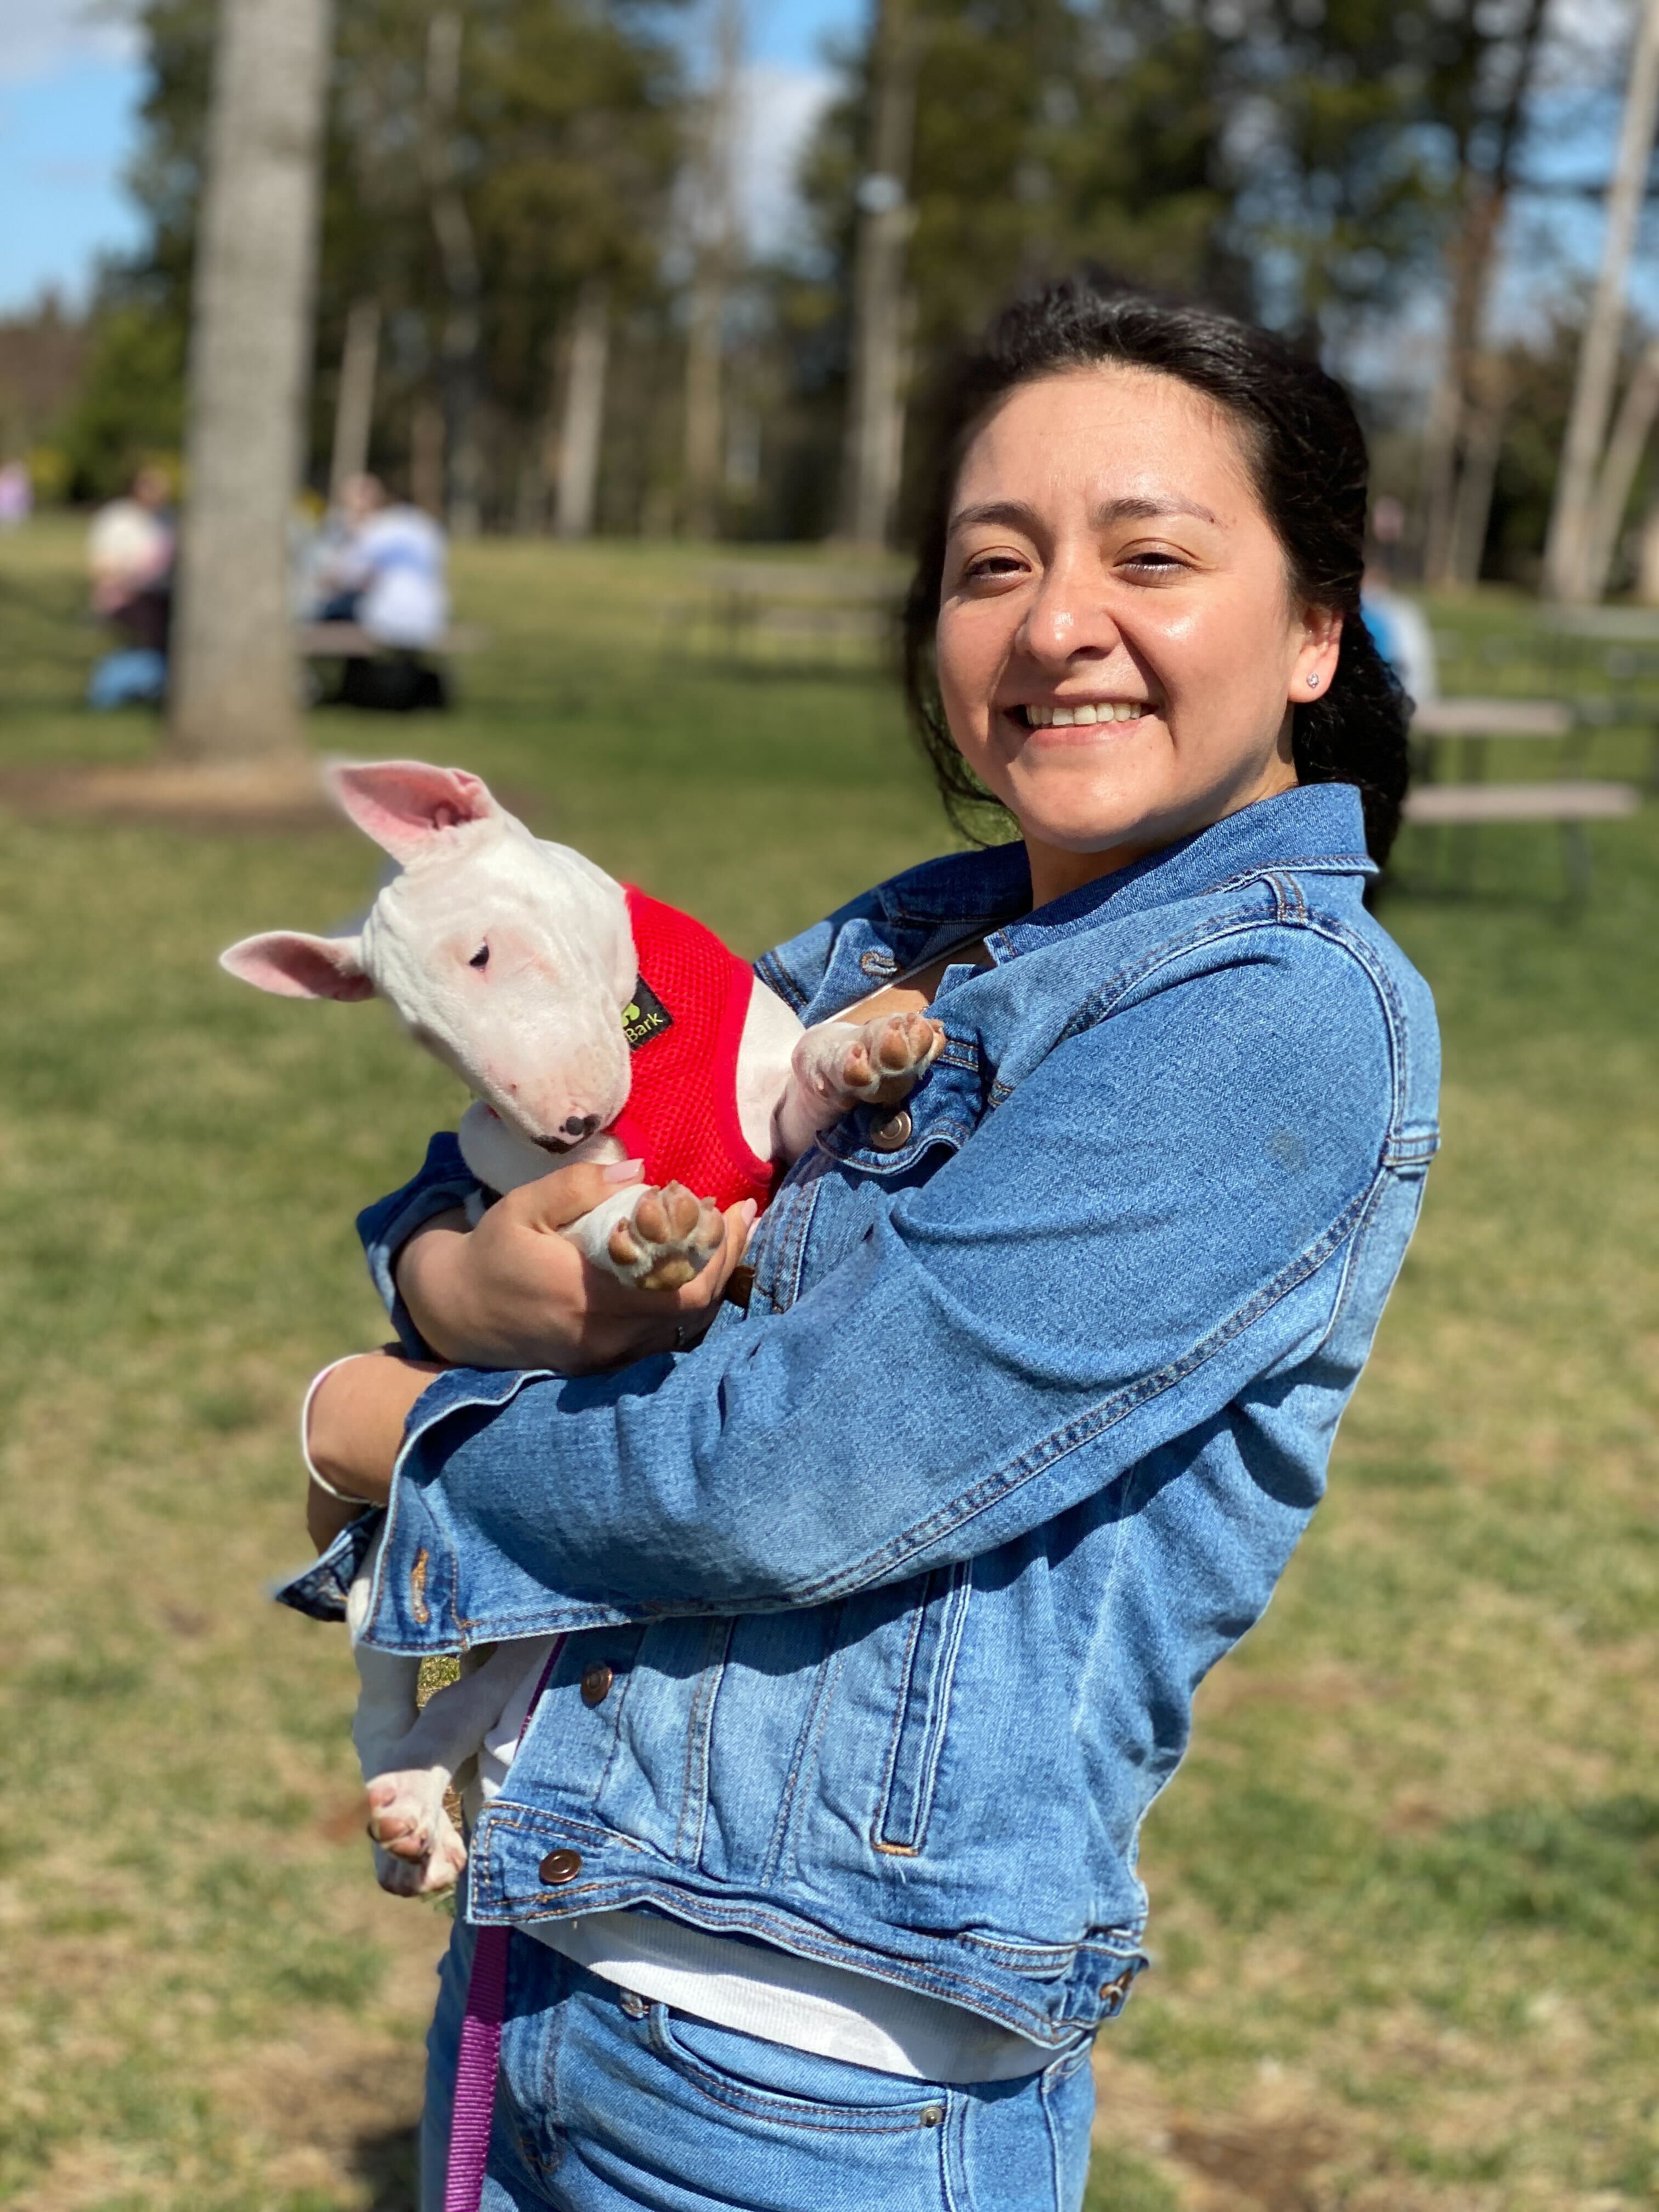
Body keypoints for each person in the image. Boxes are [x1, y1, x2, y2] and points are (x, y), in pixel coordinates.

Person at [300, 278, 1437, 2212]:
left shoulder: (1275, 1017)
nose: (1056, 621)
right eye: (992, 562)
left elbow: (789, 1477)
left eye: (1147, 554)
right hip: (549, 1948)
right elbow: (552, 1166)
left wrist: (373, 1421)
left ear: (1315, 625)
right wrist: (439, 1277)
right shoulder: (905, 935)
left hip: (815, 2081)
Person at [311, 471, 449, 649]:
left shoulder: (375, 533)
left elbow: (343, 579)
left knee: (323, 614)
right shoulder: (417, 523)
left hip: (389, 619)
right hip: (432, 616)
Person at [85, 465, 173, 708]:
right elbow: (100, 569)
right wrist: (133, 576)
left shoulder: (168, 519)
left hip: (162, 594)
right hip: (124, 596)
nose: (158, 492)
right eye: (151, 486)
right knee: (157, 627)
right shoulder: (116, 520)